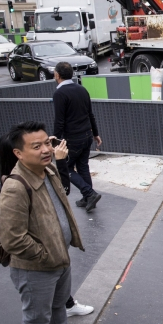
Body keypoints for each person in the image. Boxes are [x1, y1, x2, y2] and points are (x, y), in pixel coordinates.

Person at [0, 131, 94, 319]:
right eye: (36, 146)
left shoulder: (48, 171)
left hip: (60, 260)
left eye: (47, 143)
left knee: (59, 311)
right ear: (17, 153)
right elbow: (12, 239)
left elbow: (62, 192)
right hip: (38, 267)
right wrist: (46, 255)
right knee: (38, 318)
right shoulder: (14, 188)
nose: (46, 150)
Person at [53, 62, 102, 212]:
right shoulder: (82, 89)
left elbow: (59, 120)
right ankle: (88, 198)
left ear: (57, 75)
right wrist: (95, 134)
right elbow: (90, 114)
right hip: (87, 135)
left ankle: (89, 193)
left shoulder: (60, 94)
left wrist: (55, 142)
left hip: (73, 138)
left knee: (66, 167)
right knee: (82, 166)